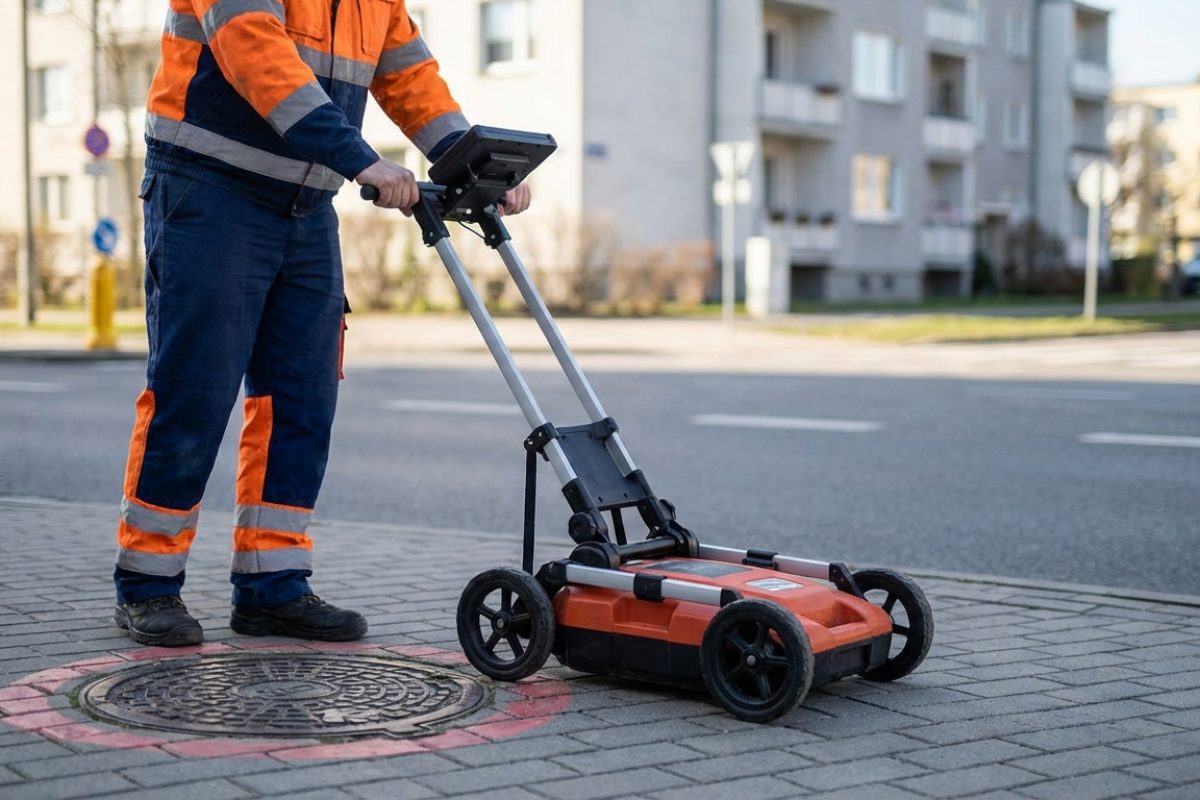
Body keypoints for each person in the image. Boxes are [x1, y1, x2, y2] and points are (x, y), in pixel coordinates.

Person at [112, 0, 528, 646]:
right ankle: (147, 585)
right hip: (210, 191)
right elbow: (259, 57)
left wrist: (477, 167)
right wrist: (360, 158)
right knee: (193, 391)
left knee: (302, 398)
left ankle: (271, 585)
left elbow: (411, 79)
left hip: (306, 206)